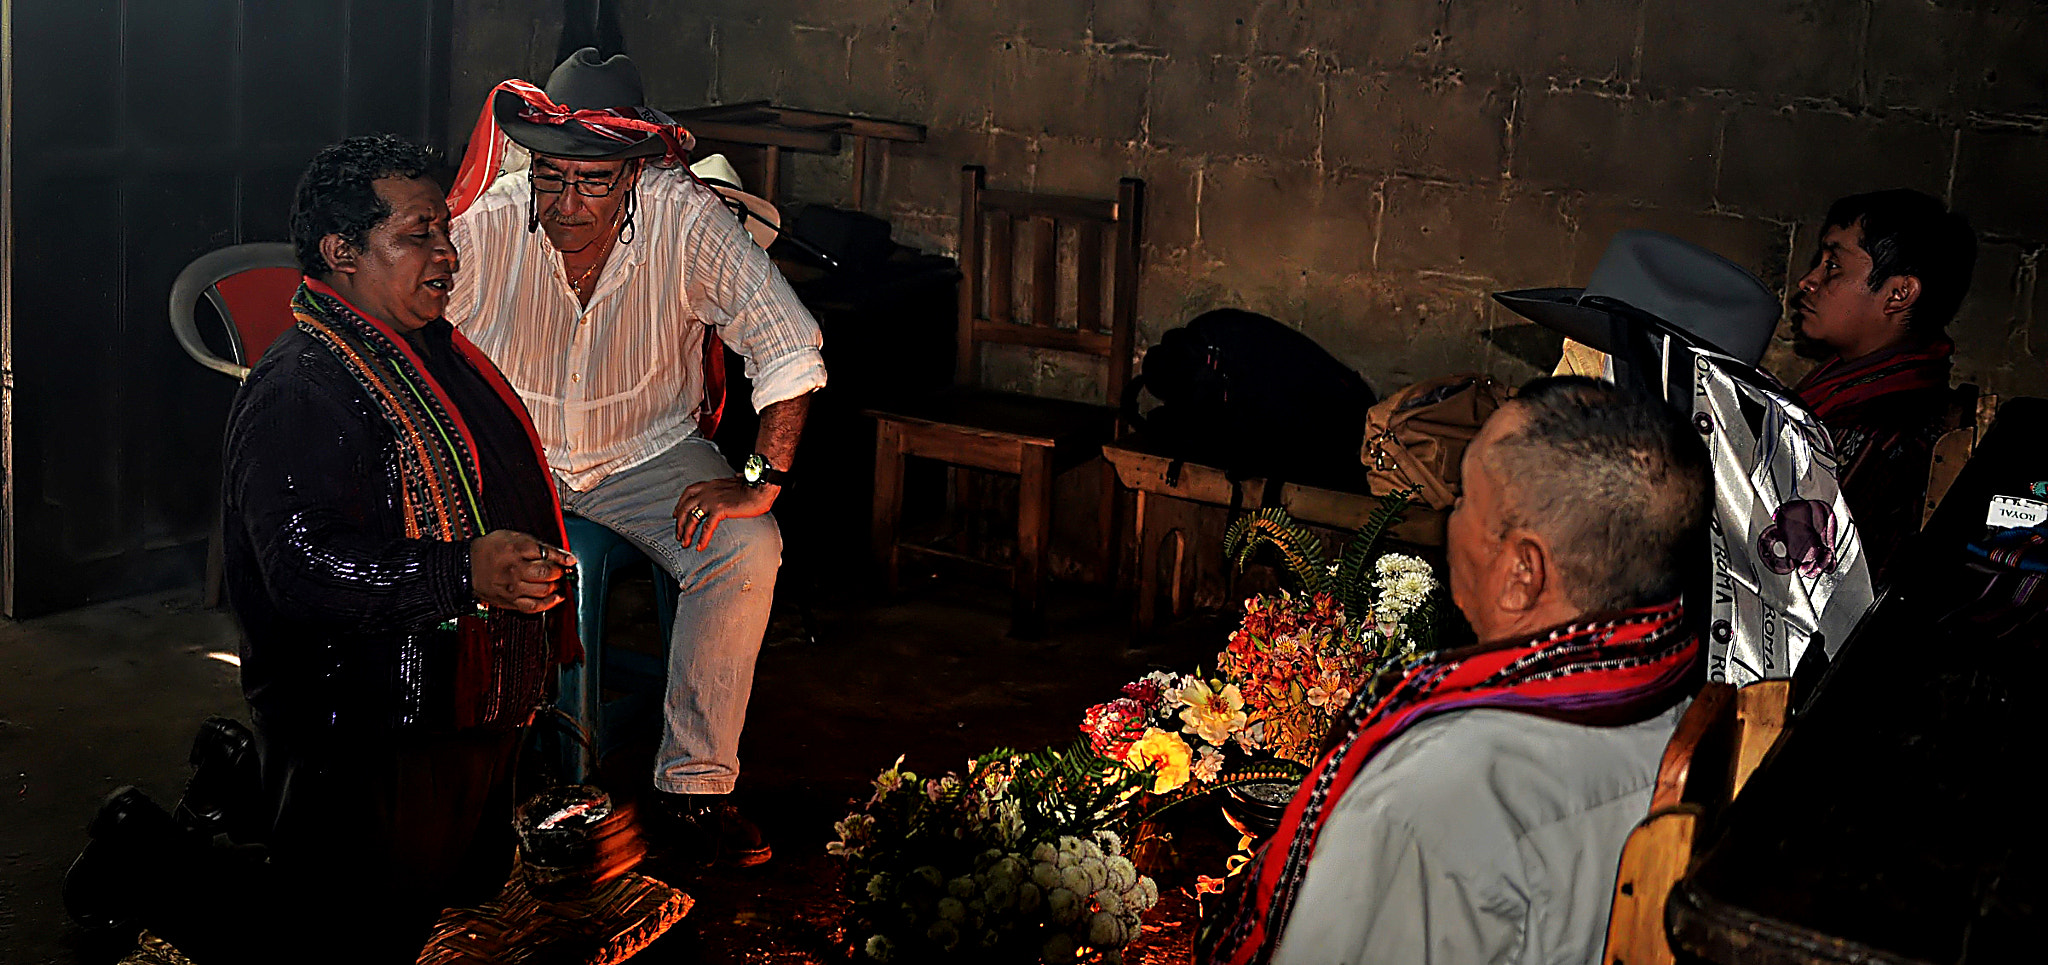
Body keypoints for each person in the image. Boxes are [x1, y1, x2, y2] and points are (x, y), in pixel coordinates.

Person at [445, 48, 825, 865]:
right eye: (552, 176)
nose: (568, 201)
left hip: (645, 451)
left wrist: (758, 480)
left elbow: (789, 344)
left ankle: (694, 794)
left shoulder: (684, 215)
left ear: (635, 171)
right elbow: (419, 329)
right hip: (521, 453)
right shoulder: (493, 218)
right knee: (435, 552)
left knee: (747, 547)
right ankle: (495, 776)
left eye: (594, 180)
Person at [214, 133, 579, 960]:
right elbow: (306, 568)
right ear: (342, 252)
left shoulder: (421, 350)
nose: (447, 255)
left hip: (447, 704)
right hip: (363, 729)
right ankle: (152, 860)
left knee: (444, 886)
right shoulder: (303, 390)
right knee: (348, 930)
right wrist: (464, 571)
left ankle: (230, 811)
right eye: (419, 235)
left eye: (444, 231)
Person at [1202, 377, 1710, 965]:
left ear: (1523, 572)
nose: (1450, 518)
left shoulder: (1428, 801)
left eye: (1464, 498)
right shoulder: (1675, 702)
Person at [1788, 189, 1977, 578]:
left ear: (1898, 293)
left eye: (1833, 266)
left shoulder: (1874, 429)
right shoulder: (1861, 389)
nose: (1809, 280)